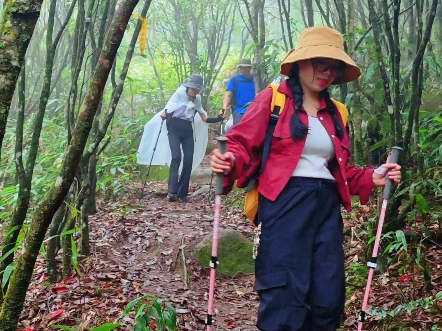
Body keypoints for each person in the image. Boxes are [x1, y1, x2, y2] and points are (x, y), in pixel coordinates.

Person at [210, 26, 402, 331]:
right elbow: (242, 143)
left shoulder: (338, 112)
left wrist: (373, 176)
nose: (326, 72)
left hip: (327, 209)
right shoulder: (273, 99)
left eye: (333, 66)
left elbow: (340, 170)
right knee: (285, 296)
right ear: (300, 62)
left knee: (327, 297)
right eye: (319, 62)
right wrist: (229, 158)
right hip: (285, 204)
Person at [160, 74, 224, 202]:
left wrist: (218, 118)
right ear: (188, 87)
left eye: (198, 89)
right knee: (176, 157)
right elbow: (168, 108)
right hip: (174, 128)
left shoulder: (197, 99)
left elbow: (204, 116)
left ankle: (182, 193)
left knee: (188, 160)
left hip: (188, 130)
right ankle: (172, 192)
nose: (195, 91)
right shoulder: (179, 94)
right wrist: (164, 114)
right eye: (193, 89)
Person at [222, 59, 260, 128]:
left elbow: (262, 93)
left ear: (250, 68)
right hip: (239, 111)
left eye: (245, 67)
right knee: (238, 133)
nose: (243, 69)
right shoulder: (235, 79)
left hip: (255, 111)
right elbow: (228, 95)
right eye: (241, 67)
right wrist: (223, 110)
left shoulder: (256, 80)